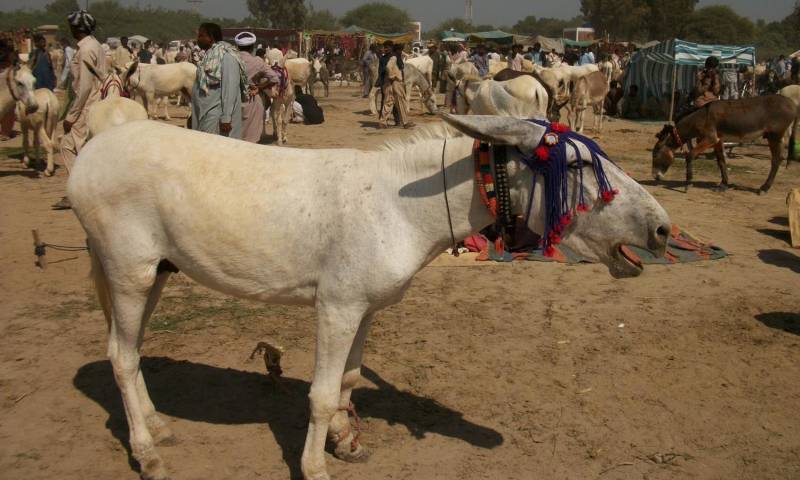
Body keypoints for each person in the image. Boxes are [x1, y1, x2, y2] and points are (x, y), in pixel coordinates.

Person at [53, 9, 107, 210]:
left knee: (68, 146)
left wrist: (71, 115)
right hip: (97, 102)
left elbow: (84, 86)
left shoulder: (85, 50)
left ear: (77, 28)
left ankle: (77, 193)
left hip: (86, 105)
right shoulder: (97, 46)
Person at [191, 22, 247, 139]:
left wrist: (226, 117)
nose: (198, 39)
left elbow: (230, 88)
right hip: (204, 114)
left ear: (211, 38)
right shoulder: (209, 56)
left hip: (216, 116)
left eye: (201, 36)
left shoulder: (227, 57)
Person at [235, 31, 279, 144]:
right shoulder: (257, 62)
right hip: (251, 100)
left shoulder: (231, 60)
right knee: (251, 139)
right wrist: (259, 87)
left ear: (237, 46)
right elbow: (274, 78)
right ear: (252, 47)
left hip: (232, 100)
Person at [377, 41, 412, 129]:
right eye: (385, 47)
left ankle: (383, 122)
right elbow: (388, 67)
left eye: (387, 47)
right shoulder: (394, 57)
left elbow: (381, 71)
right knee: (400, 102)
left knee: (388, 102)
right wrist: (392, 76)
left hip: (387, 83)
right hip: (395, 82)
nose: (386, 49)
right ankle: (405, 122)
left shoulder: (384, 58)